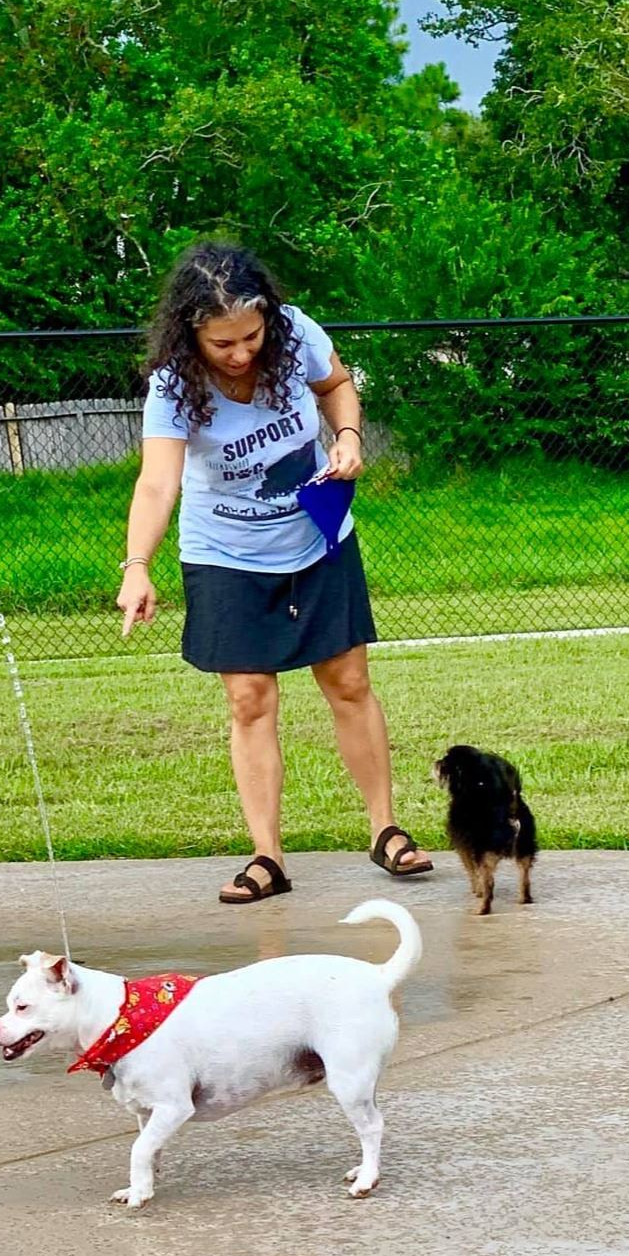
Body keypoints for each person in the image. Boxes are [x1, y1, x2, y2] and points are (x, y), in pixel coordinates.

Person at [117, 242, 433, 904]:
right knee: (249, 698)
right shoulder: (174, 385)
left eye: (250, 336)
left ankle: (384, 830)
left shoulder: (296, 334)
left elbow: (337, 386)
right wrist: (137, 565)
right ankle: (268, 856)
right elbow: (156, 483)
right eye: (221, 342)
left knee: (348, 680)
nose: (240, 353)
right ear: (190, 332)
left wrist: (347, 437)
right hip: (225, 554)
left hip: (317, 536)